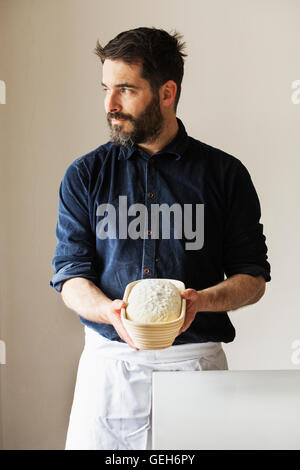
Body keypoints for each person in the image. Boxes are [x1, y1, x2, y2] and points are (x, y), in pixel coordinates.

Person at [50, 27, 271, 450]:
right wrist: (109, 311)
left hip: (196, 368)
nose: (110, 105)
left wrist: (201, 301)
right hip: (110, 372)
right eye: (106, 89)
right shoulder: (85, 175)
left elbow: (253, 278)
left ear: (166, 92)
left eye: (126, 90)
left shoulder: (225, 175)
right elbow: (70, 276)